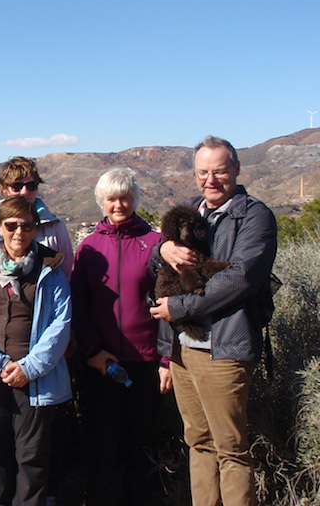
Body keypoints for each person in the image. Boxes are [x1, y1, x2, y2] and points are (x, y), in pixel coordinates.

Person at [149, 136, 278, 506]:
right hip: (183, 351)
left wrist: (180, 308)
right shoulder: (189, 211)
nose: (211, 179)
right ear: (194, 174)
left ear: (236, 169)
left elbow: (240, 279)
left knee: (230, 448)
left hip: (225, 348)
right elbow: (155, 266)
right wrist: (163, 249)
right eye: (203, 172)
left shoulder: (254, 216)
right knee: (198, 442)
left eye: (219, 171)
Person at [0, 196, 72, 506]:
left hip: (36, 378)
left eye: (27, 226)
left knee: (32, 456)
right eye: (11, 226)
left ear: (36, 228)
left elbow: (60, 324)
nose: (19, 233)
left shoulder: (50, 268)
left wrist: (28, 368)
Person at [70, 168, 169, 506]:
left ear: (134, 199)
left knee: (140, 445)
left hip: (146, 362)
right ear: (101, 201)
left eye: (125, 197)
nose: (118, 205)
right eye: (111, 199)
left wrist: (166, 359)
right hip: (101, 363)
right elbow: (78, 306)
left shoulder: (155, 244)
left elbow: (169, 301)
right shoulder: (89, 248)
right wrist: (92, 351)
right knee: (101, 445)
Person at [0, 156, 74, 278]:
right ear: (5, 189)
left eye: (31, 186)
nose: (24, 192)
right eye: (17, 186)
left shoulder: (55, 227)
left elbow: (65, 272)